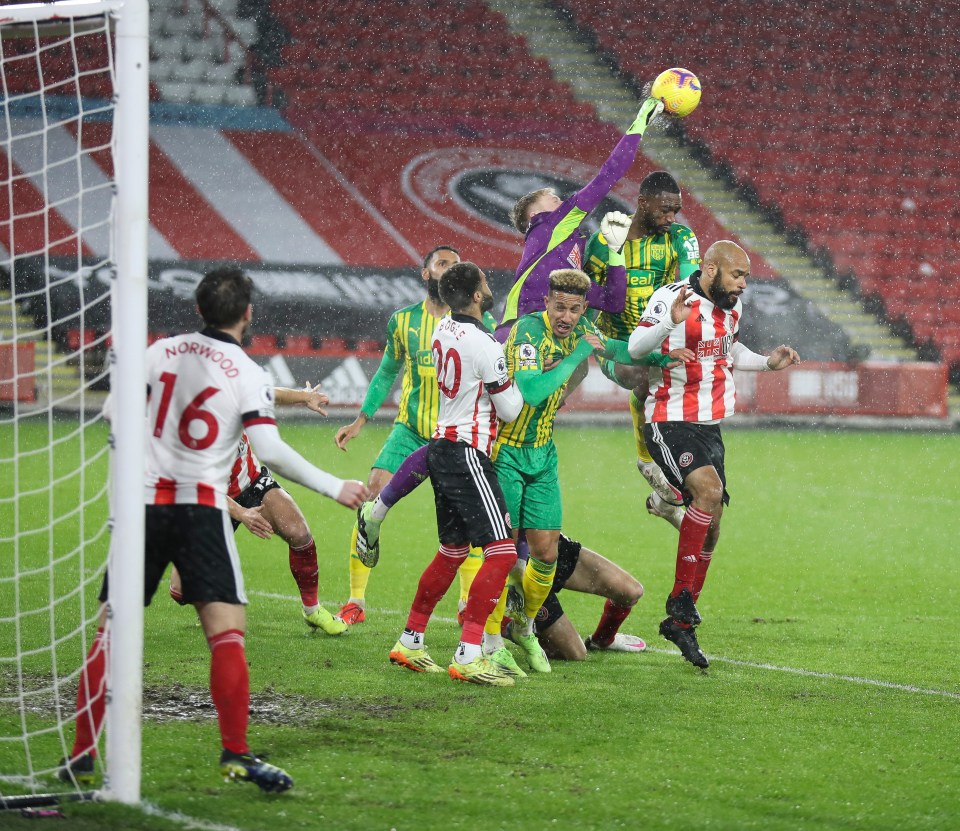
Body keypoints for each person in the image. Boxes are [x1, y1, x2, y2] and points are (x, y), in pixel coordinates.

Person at [58, 266, 367, 792]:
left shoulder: (159, 352)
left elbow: (114, 413)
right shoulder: (241, 369)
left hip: (145, 507)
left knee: (112, 632)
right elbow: (268, 448)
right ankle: (236, 754)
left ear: (198, 309)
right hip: (202, 509)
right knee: (226, 634)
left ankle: (82, 755)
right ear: (248, 314)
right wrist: (332, 485)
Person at [492, 268, 684, 674]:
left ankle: (522, 625)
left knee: (545, 552)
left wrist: (662, 358)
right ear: (546, 303)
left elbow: (616, 349)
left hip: (543, 454)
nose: (566, 316)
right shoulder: (527, 332)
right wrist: (581, 353)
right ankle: (488, 638)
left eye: (575, 309)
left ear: (582, 309)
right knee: (501, 553)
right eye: (559, 307)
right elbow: (531, 392)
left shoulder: (582, 329)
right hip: (506, 452)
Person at [627, 241, 801, 669]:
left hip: (710, 427)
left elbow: (730, 350)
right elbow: (635, 348)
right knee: (707, 491)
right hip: (668, 419)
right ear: (710, 269)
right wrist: (667, 324)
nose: (743, 284)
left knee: (712, 529)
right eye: (736, 275)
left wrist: (766, 364)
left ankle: (680, 623)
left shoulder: (731, 307)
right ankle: (680, 598)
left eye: (745, 277)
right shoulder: (673, 298)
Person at [334, 246, 494, 625]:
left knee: (470, 522)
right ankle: (355, 600)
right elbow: (387, 371)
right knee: (372, 496)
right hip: (412, 430)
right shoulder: (403, 321)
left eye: (455, 265)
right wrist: (361, 420)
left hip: (458, 435)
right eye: (442, 263)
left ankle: (464, 604)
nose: (449, 269)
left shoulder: (479, 323)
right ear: (426, 273)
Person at [388, 262, 523, 687]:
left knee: (452, 551)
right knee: (501, 552)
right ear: (479, 295)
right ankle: (468, 652)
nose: (490, 283)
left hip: (441, 448)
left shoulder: (443, 327)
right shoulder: (486, 345)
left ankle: (411, 640)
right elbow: (511, 409)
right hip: (467, 452)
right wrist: (513, 381)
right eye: (485, 280)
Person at [168, 384, 348, 636]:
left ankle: (312, 610)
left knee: (299, 533)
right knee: (180, 592)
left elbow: (267, 393)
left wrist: (305, 397)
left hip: (250, 482)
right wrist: (242, 514)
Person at [584, 171, 703, 530]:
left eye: (676, 210)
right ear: (642, 202)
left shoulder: (679, 238)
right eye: (665, 210)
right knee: (639, 375)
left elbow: (692, 285)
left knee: (690, 375)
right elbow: (587, 306)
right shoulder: (604, 243)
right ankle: (646, 461)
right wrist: (590, 341)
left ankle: (669, 494)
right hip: (615, 345)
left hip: (660, 340)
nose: (672, 218)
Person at [499, 95, 666, 340]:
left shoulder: (570, 263)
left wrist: (615, 252)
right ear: (535, 214)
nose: (560, 201)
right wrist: (639, 123)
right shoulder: (548, 224)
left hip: (541, 345)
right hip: (516, 338)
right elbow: (608, 175)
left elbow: (613, 301)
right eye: (553, 199)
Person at [506, 535, 647, 661]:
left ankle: (602, 640)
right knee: (575, 653)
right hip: (521, 562)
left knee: (631, 591)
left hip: (550, 545)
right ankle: (502, 624)